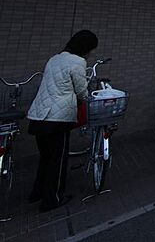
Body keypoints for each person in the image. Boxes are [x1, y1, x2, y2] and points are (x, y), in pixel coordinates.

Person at [27, 30, 98, 211]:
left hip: (39, 115)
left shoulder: (54, 59)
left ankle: (37, 192)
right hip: (57, 119)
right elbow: (81, 90)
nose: (91, 53)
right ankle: (53, 199)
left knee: (46, 157)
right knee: (57, 160)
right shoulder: (78, 62)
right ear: (86, 47)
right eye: (92, 48)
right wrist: (88, 98)